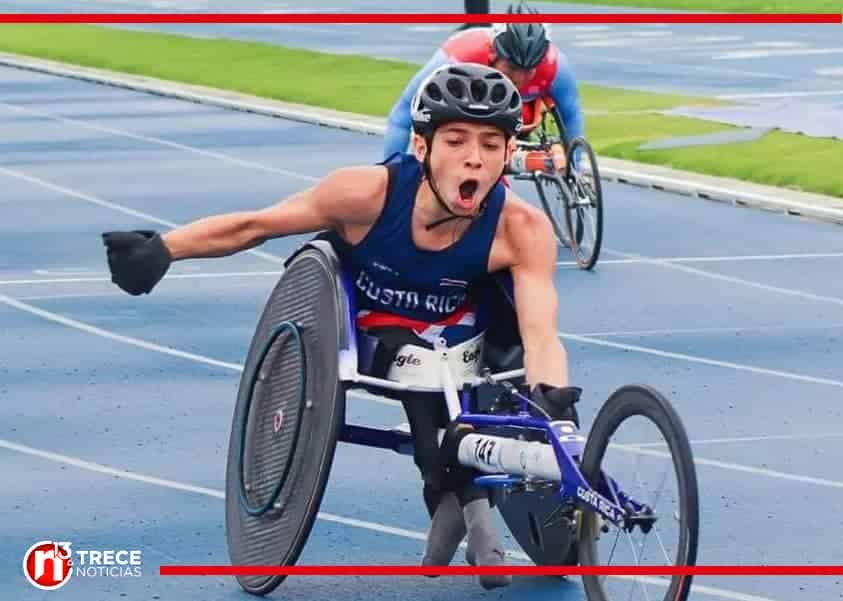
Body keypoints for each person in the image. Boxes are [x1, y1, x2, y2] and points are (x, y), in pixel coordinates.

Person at [100, 63, 580, 590]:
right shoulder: (366, 195)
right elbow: (255, 226)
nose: (474, 158)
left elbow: (540, 332)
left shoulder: (521, 228)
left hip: (463, 333)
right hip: (372, 327)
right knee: (422, 378)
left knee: (455, 379)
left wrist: (553, 407)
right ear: (421, 146)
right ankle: (459, 493)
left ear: (508, 154)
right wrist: (164, 249)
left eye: (491, 144)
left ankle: (458, 488)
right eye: (456, 141)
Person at [384, 1, 584, 171]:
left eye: (528, 70)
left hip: (523, 109)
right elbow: (402, 115)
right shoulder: (458, 57)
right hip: (466, 98)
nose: (519, 77)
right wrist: (392, 174)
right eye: (512, 67)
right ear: (493, 53)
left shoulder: (556, 67)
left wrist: (575, 168)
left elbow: (571, 116)